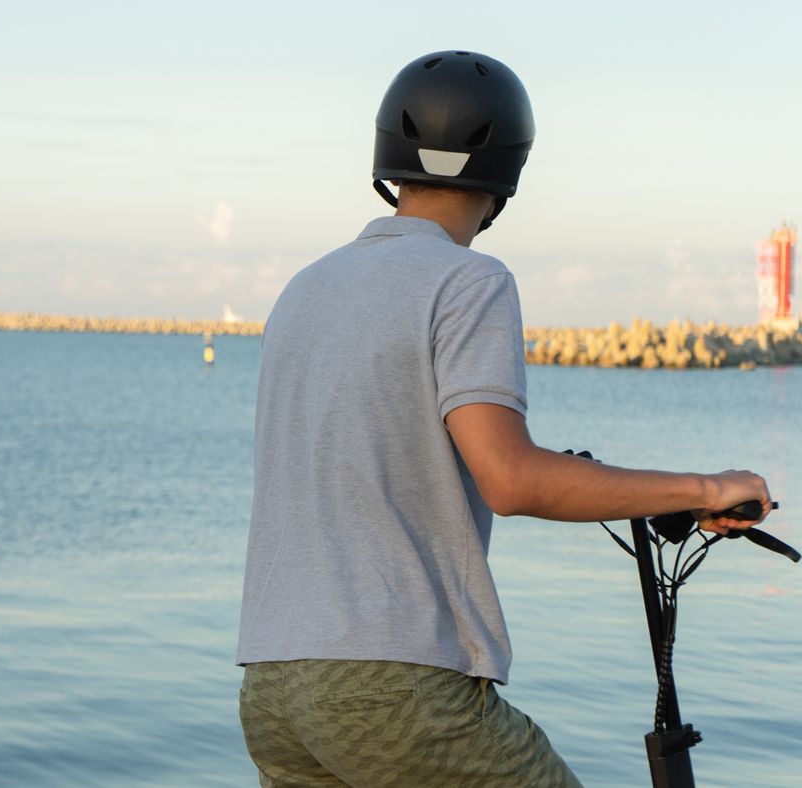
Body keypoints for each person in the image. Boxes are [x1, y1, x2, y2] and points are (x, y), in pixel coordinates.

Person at [235, 50, 774, 787]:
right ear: (507, 170)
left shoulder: (304, 289)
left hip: (275, 685)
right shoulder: (469, 280)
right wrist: (706, 488)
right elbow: (511, 480)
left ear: (388, 157)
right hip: (394, 684)